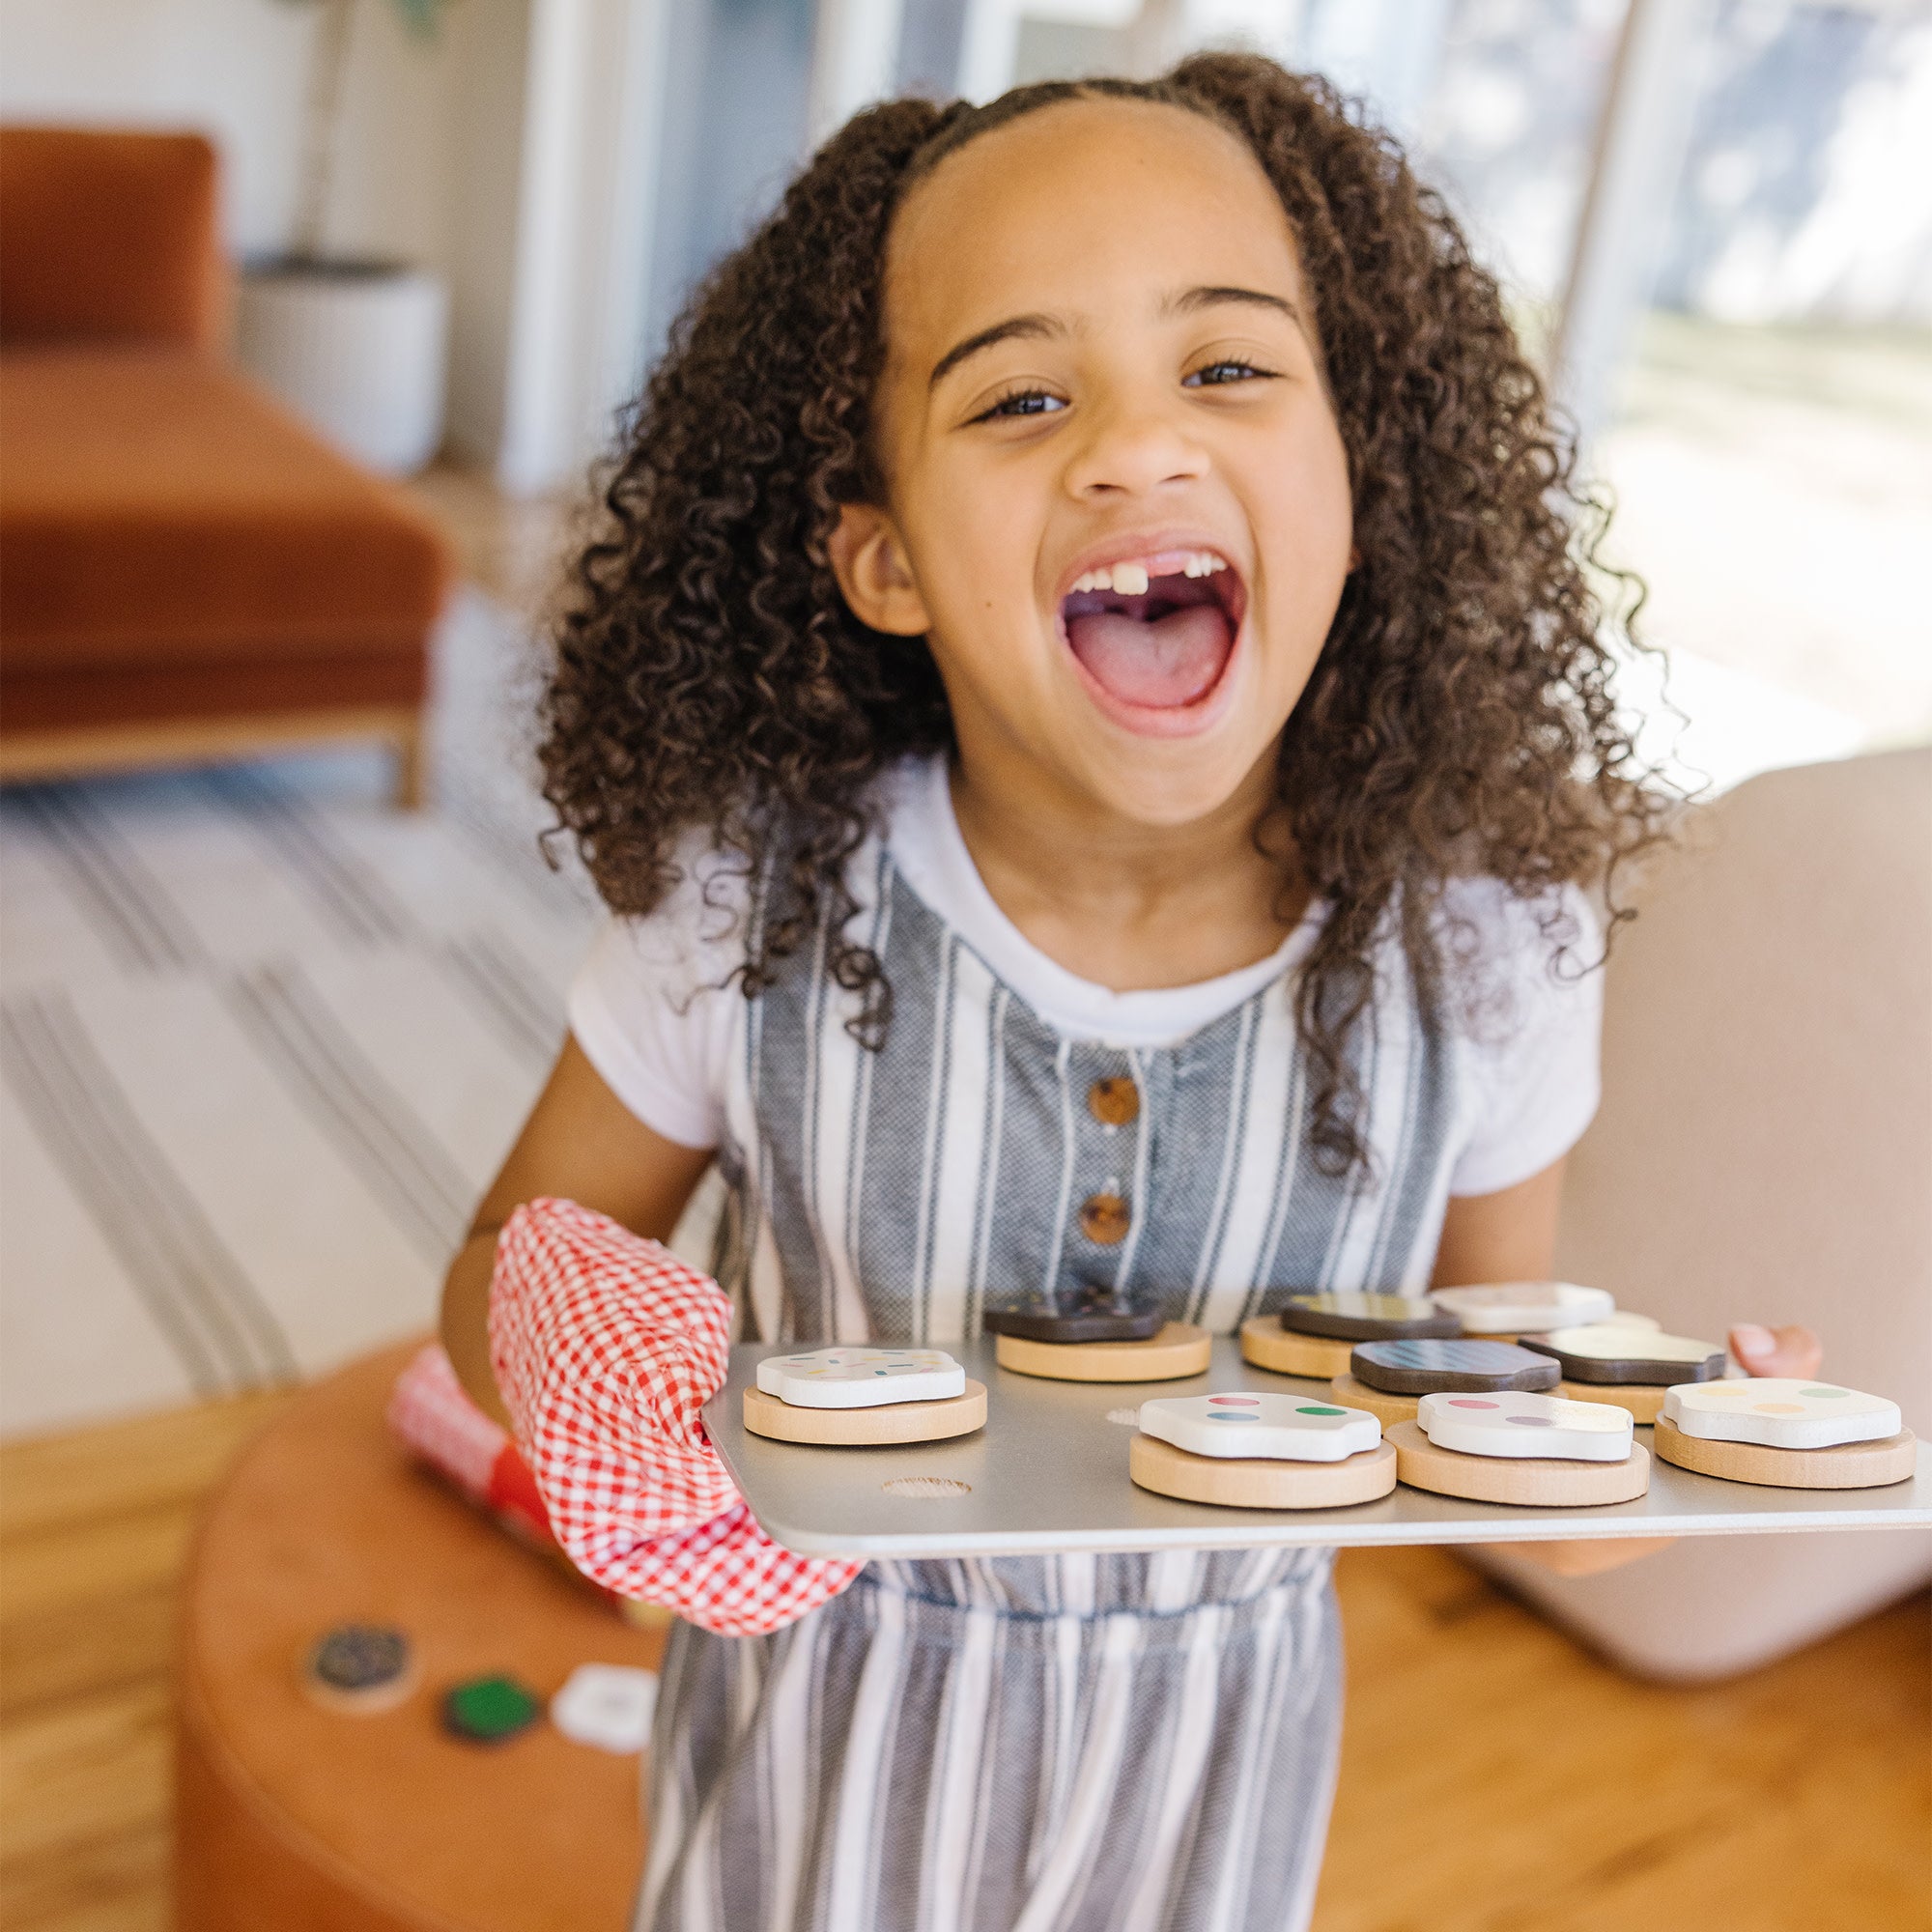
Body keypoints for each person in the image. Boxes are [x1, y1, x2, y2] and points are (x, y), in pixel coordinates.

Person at [440, 56, 1820, 1929]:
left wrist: (1683, 1442)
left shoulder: (1485, 945)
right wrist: (574, 1360)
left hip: (1215, 1798)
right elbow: (494, 1282)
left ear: (1360, 470)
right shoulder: (745, 895)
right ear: (886, 557)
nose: (1133, 447)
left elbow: (1496, 1434)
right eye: (1019, 395)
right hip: (803, 1780)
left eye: (1229, 367)